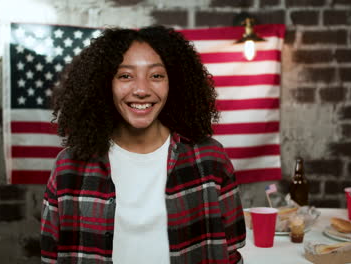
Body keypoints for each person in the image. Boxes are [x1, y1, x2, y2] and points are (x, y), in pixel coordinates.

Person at [40, 25, 246, 264]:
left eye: (156, 76)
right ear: (105, 84)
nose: (141, 90)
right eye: (125, 75)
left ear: (174, 83)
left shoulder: (210, 158)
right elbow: (51, 256)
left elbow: (231, 253)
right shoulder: (69, 166)